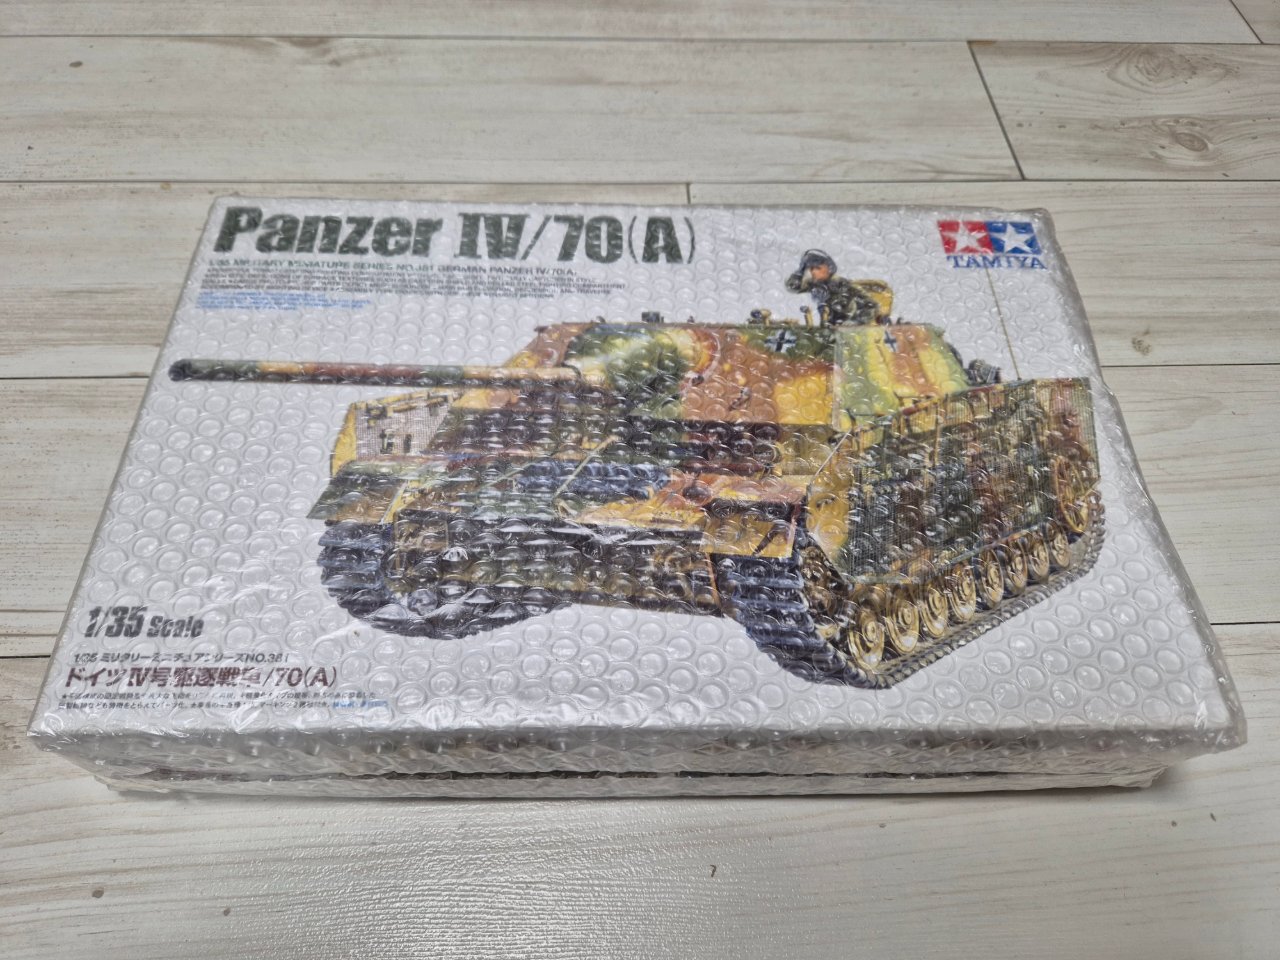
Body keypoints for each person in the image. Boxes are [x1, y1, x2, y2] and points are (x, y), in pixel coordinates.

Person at [785, 250, 890, 326]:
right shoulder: (816, 285)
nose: (812, 272)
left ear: (829, 268)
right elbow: (792, 287)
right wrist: (800, 271)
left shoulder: (842, 285)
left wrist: (855, 322)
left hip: (849, 332)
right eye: (810, 268)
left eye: (817, 268)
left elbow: (872, 305)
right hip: (828, 330)